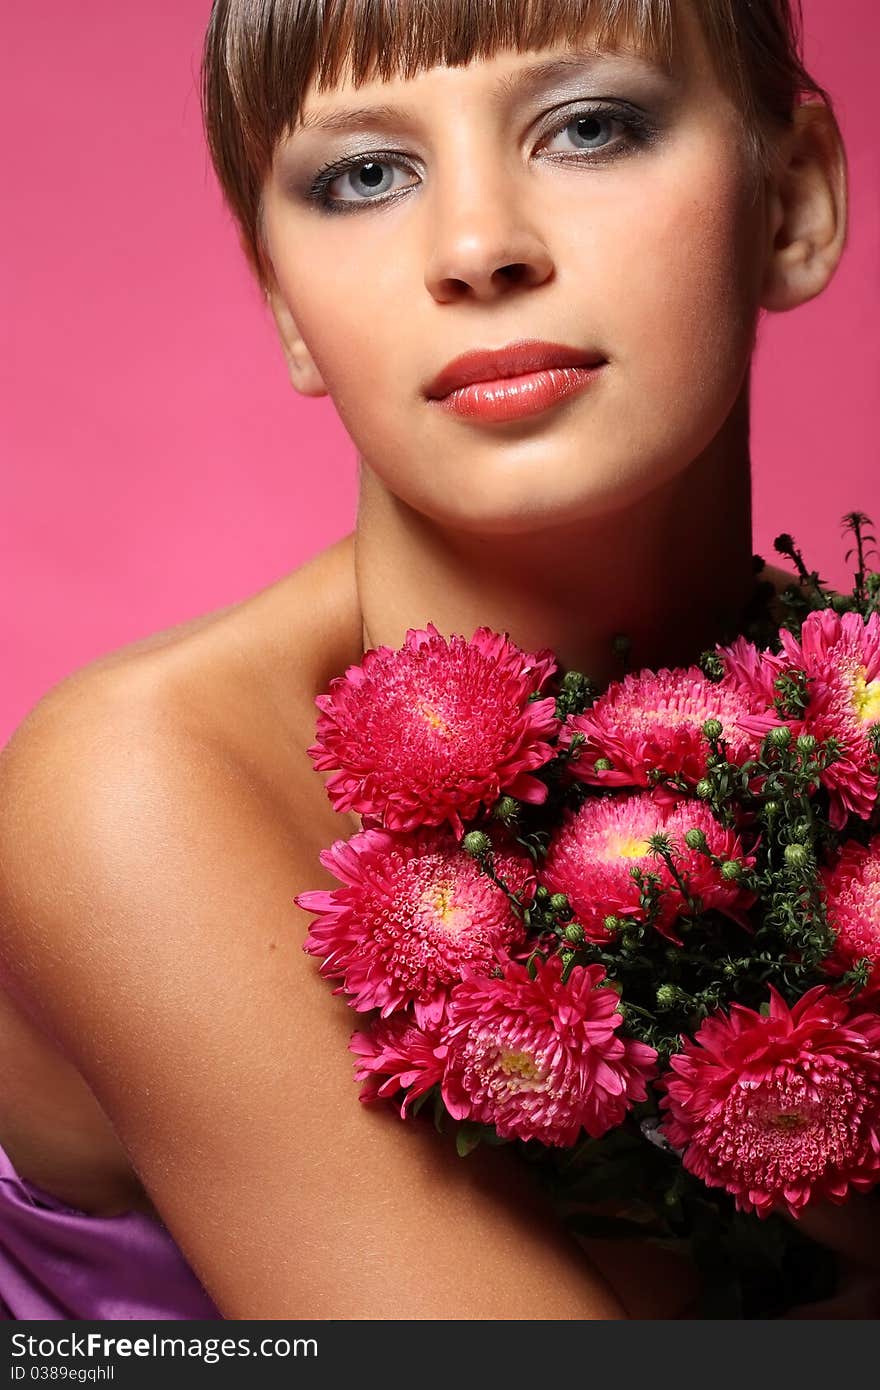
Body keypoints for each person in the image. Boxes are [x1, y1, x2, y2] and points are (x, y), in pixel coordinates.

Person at [0, 0, 864, 1320]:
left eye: (588, 128)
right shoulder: (134, 793)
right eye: (365, 174)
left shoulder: (844, 720)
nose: (475, 249)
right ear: (284, 300)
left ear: (793, 202)